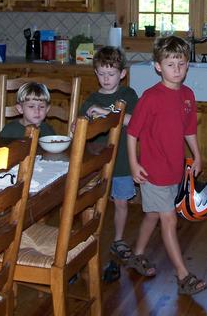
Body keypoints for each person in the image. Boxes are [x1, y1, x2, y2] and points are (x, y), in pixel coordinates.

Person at [126, 35, 207, 296]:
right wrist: (133, 164)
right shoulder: (150, 97)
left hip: (175, 170)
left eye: (182, 64)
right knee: (169, 220)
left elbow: (189, 129)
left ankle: (136, 255)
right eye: (171, 64)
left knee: (153, 214)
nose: (177, 70)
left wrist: (197, 155)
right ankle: (183, 276)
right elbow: (132, 132)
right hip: (153, 171)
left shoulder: (187, 95)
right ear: (158, 66)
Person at [79, 46, 138, 263]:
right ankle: (88, 238)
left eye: (111, 74)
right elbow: (79, 127)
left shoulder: (127, 95)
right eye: (101, 73)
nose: (106, 78)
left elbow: (135, 121)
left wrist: (106, 113)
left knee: (121, 202)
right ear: (95, 73)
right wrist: (80, 125)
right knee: (92, 202)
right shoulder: (91, 100)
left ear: (122, 74)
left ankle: (119, 239)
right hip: (95, 164)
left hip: (122, 162)